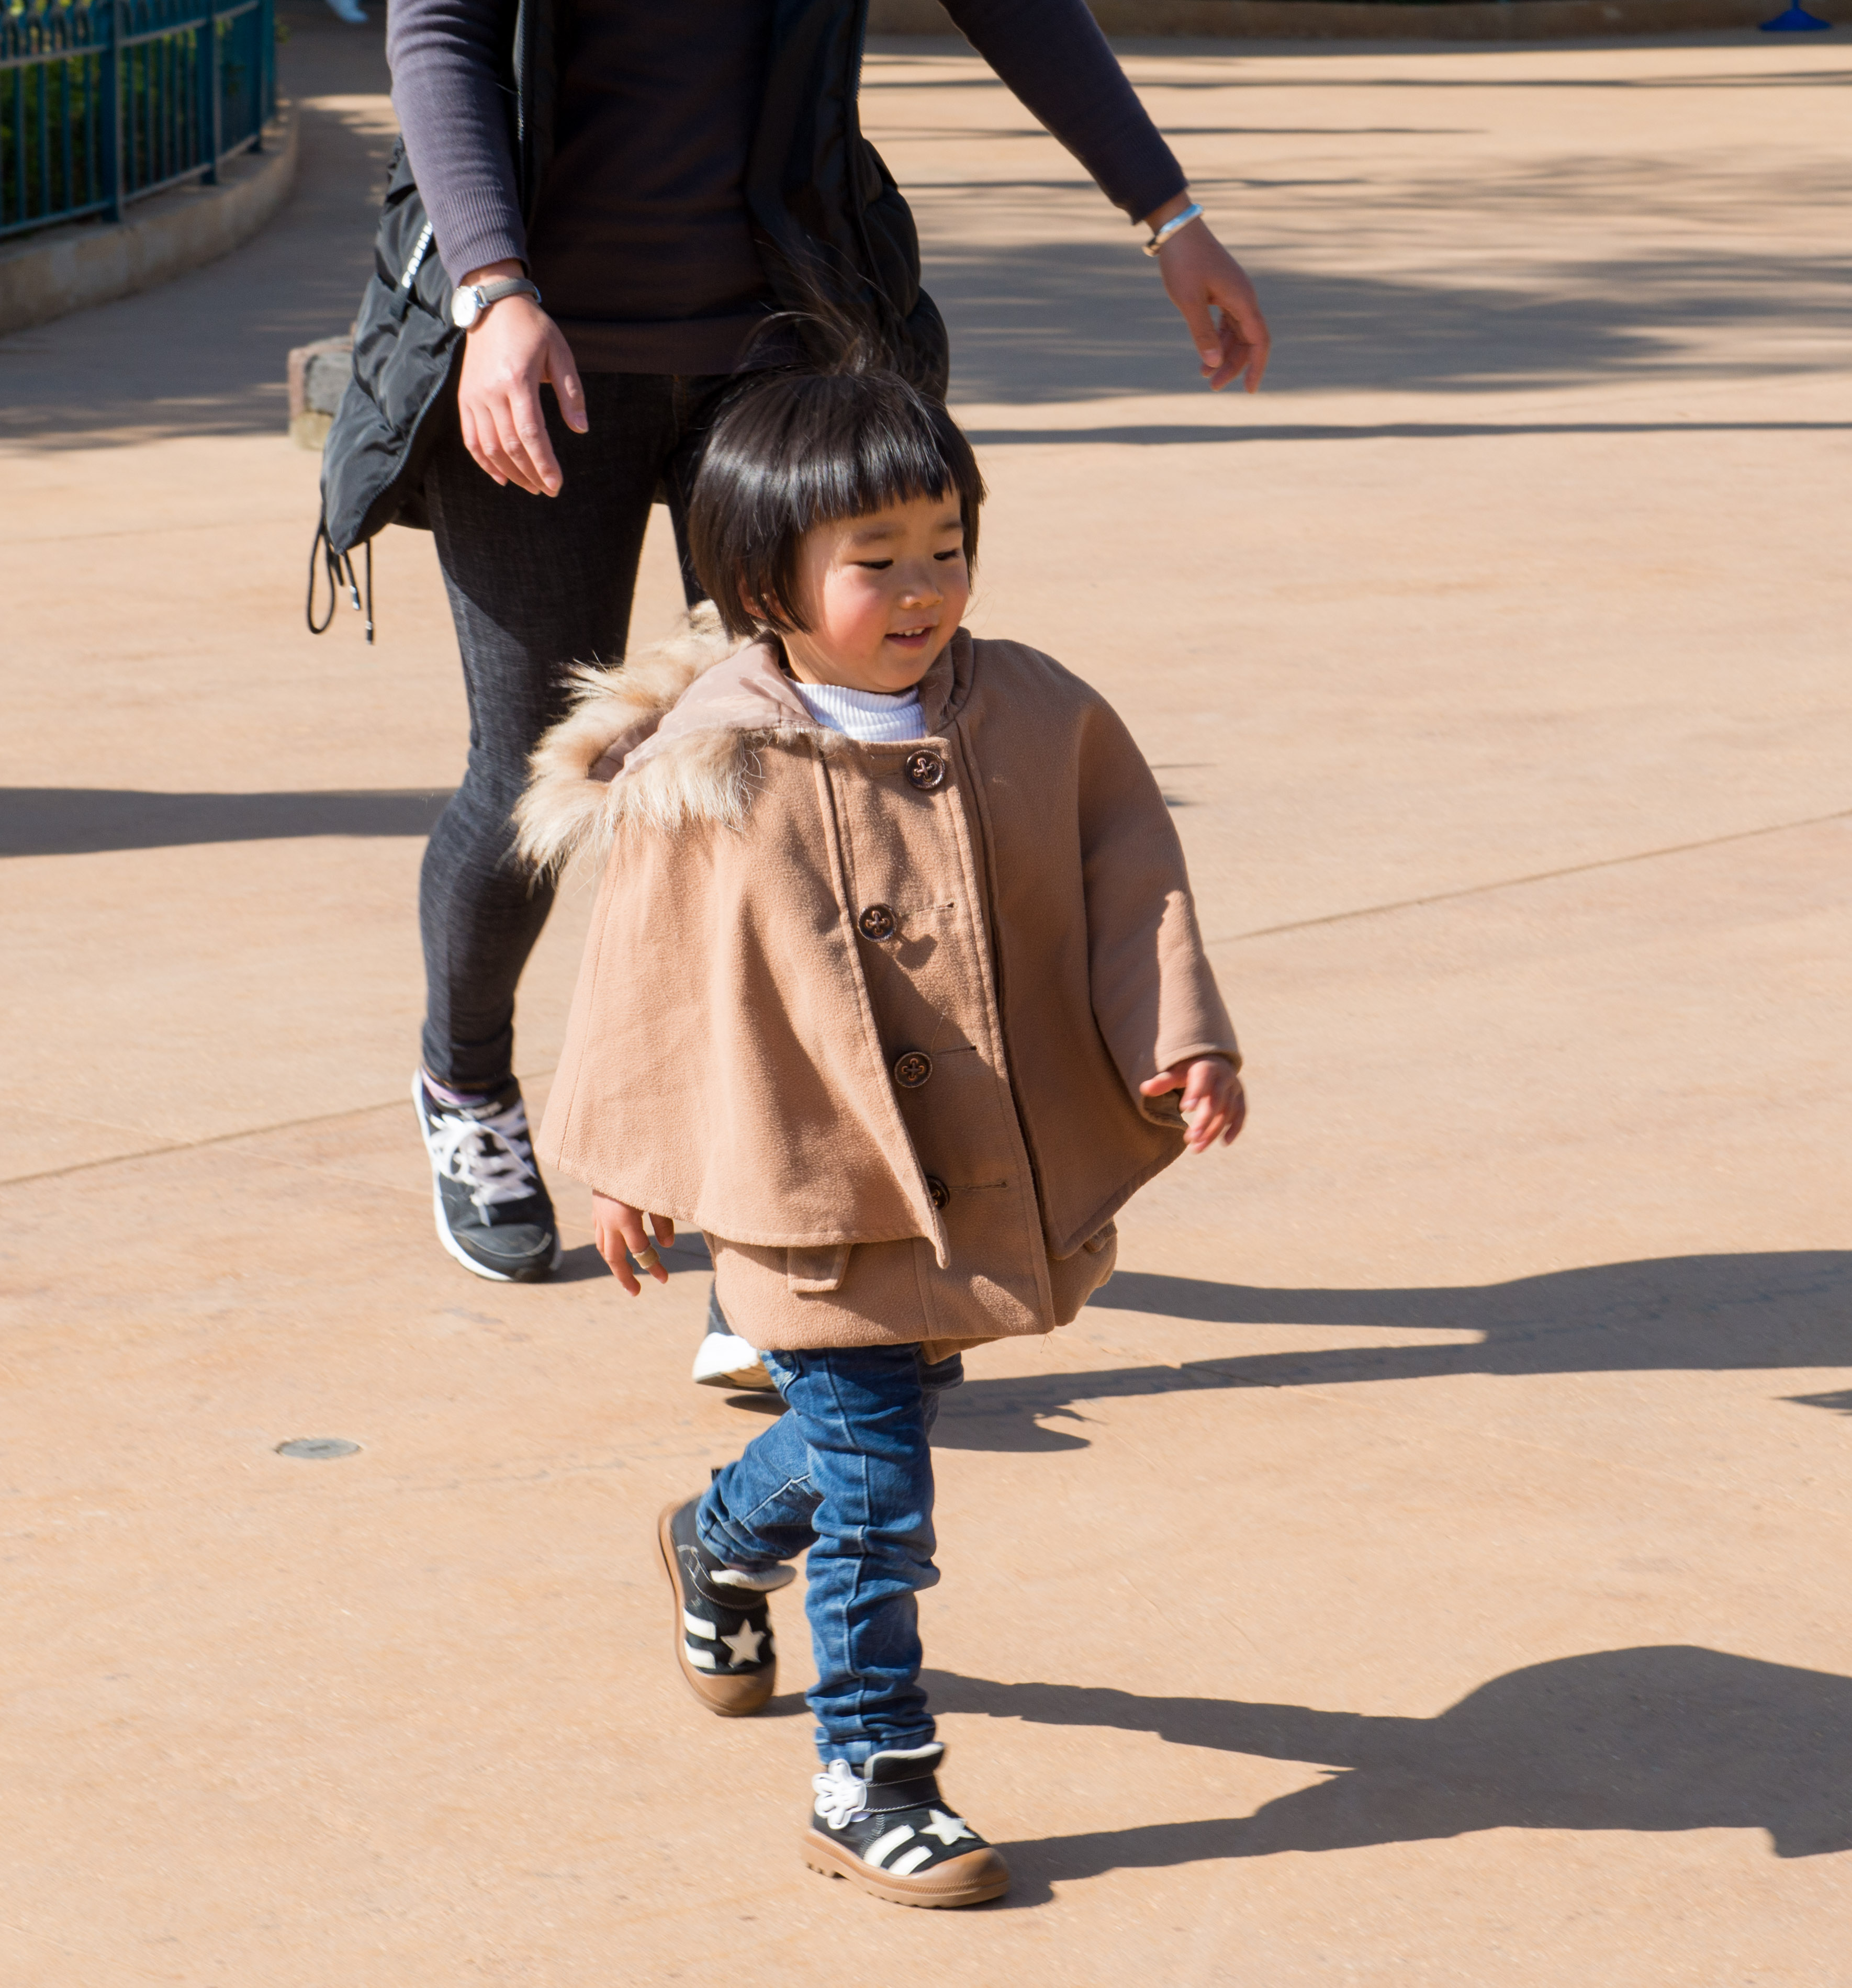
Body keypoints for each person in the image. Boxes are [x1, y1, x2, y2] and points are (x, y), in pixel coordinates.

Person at [509, 359, 1245, 1906]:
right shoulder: (720, 757)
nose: (923, 590)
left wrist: (1179, 1034)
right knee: (881, 1485)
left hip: (972, 1156)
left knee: (860, 1445)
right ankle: (873, 1773)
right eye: (877, 561)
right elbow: (647, 970)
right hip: (806, 1168)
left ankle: (716, 1541)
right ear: (767, 582)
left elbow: (1130, 870)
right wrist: (629, 1161)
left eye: (945, 544)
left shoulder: (1035, 707)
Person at [387, 0, 1270, 1286]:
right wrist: (491, 288)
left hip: (776, 344)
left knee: (795, 771)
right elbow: (443, 30)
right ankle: (465, 1082)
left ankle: (787, 1228)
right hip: (532, 343)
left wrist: (1168, 216)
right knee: (534, 764)